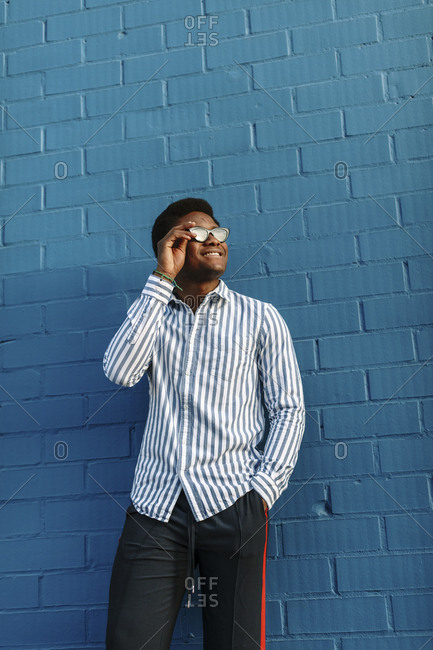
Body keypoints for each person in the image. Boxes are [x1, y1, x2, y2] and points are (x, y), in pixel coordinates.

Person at [103, 197, 305, 650]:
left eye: (218, 232)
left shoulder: (260, 318)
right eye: (196, 233)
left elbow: (288, 409)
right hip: (156, 508)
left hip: (234, 504)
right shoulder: (152, 315)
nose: (213, 239)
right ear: (171, 246)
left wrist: (263, 491)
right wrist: (162, 280)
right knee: (129, 642)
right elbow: (119, 371)